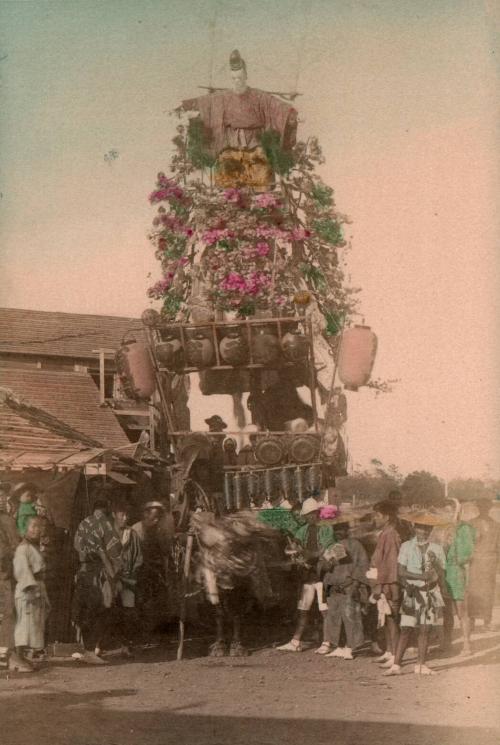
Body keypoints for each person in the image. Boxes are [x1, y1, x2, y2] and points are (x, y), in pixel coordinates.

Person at [384, 519, 446, 676]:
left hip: (429, 592)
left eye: (427, 528)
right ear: (414, 528)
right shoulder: (406, 546)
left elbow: (440, 573)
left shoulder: (437, 548)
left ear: (431, 530)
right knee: (406, 628)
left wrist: (434, 563)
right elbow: (401, 571)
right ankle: (396, 665)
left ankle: (421, 665)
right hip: (412, 592)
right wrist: (420, 576)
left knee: (425, 629)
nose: (423, 532)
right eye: (420, 528)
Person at [277, 498, 336, 652]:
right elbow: (294, 544)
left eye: (312, 514)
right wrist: (293, 547)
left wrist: (304, 553)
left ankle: (327, 643)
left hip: (322, 575)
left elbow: (323, 552)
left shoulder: (326, 528)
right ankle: (295, 641)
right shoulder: (303, 530)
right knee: (303, 609)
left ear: (317, 513)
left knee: (324, 610)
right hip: (308, 575)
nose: (310, 517)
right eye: (307, 515)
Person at [72, 495, 122, 663]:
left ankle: (88, 648)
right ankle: (92, 651)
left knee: (86, 610)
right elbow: (113, 552)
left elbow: (76, 546)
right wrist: (114, 577)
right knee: (99, 610)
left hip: (83, 571)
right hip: (99, 572)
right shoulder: (105, 525)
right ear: (107, 510)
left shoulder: (83, 523)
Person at [322, 520, 369, 659]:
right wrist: (328, 563)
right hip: (333, 585)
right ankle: (339, 646)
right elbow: (323, 567)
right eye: (335, 529)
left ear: (347, 530)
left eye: (341, 529)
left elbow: (363, 565)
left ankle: (350, 647)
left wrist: (355, 584)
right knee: (333, 616)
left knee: (350, 616)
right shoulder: (330, 545)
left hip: (349, 585)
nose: (338, 532)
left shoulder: (356, 545)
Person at [0, 484, 31, 672]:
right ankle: (8, 656)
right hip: (4, 574)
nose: (2, 500)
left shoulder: (7, 520)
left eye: (3, 496)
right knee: (9, 613)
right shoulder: (5, 521)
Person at [13, 516, 50, 666]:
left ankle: (30, 655)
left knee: (35, 623)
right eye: (33, 526)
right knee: (25, 625)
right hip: (28, 589)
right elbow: (22, 569)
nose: (37, 529)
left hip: (38, 586)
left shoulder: (34, 547)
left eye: (39, 527)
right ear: (25, 528)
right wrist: (31, 587)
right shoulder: (23, 548)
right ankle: (20, 657)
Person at [132, 501, 174, 635]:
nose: (156, 520)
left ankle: (157, 628)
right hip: (140, 569)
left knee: (159, 598)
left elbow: (165, 549)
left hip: (156, 569)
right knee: (141, 599)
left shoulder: (159, 530)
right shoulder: (136, 530)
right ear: (146, 514)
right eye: (153, 517)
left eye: (158, 517)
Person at [369, 500, 402, 668]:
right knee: (385, 617)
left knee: (392, 620)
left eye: (378, 515)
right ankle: (389, 650)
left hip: (389, 584)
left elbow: (392, 565)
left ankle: (396, 653)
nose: (375, 518)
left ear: (387, 517)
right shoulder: (384, 533)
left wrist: (388, 587)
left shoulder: (391, 535)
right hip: (382, 582)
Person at [111, 500, 143, 657]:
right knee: (108, 609)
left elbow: (139, 558)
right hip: (111, 579)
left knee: (128, 612)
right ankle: (101, 644)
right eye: (121, 514)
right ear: (114, 515)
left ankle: (126, 644)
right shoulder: (108, 533)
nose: (125, 518)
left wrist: (131, 573)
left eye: (127, 515)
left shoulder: (133, 534)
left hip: (128, 579)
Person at [443, 518, 476, 655]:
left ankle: (467, 644)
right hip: (444, 574)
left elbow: (466, 557)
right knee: (446, 612)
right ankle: (446, 642)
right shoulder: (441, 529)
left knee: (462, 612)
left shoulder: (464, 529)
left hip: (457, 574)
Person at [467, 498, 500, 632]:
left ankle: (487, 621)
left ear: (490, 508)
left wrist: (497, 564)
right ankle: (472, 621)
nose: (484, 508)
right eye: (481, 506)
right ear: (478, 507)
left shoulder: (497, 525)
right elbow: (467, 545)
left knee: (488, 592)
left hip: (490, 562)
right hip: (475, 562)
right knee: (474, 592)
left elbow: (499, 546)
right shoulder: (471, 524)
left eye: (487, 506)